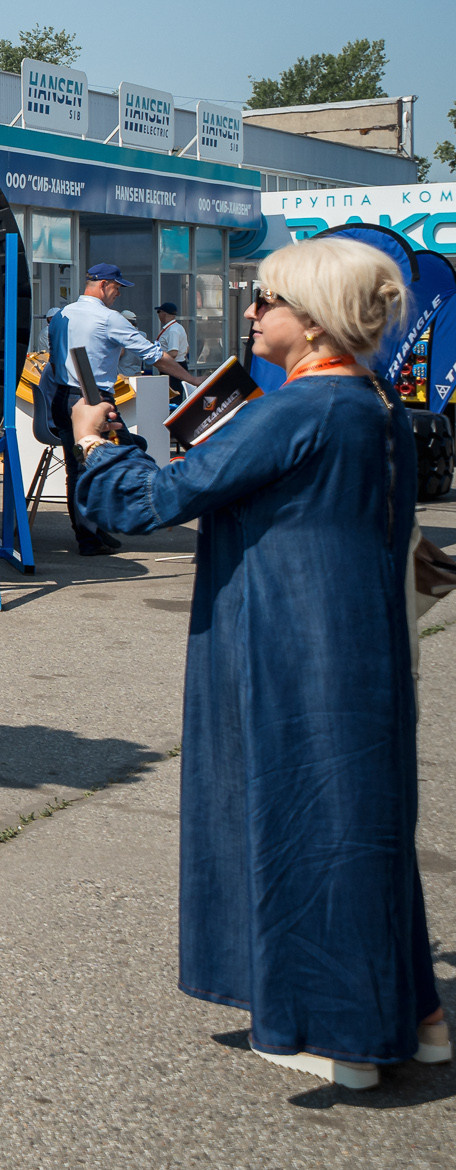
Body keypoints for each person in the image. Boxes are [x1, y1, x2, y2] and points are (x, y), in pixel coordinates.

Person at [73, 236, 449, 1091]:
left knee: (310, 824)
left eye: (264, 300)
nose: (249, 314)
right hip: (357, 636)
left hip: (293, 640)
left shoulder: (299, 408)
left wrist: (98, 447)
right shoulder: (374, 403)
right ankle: (414, 1015)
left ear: (310, 318)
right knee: (362, 823)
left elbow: (156, 500)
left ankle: (344, 1035)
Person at [53, 264, 203, 556]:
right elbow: (153, 355)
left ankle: (92, 531)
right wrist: (192, 379)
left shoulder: (63, 314)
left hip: (62, 396)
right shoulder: (108, 319)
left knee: (80, 466)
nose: (117, 295)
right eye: (117, 289)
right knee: (108, 460)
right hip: (94, 398)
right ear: (104, 285)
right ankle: (94, 534)